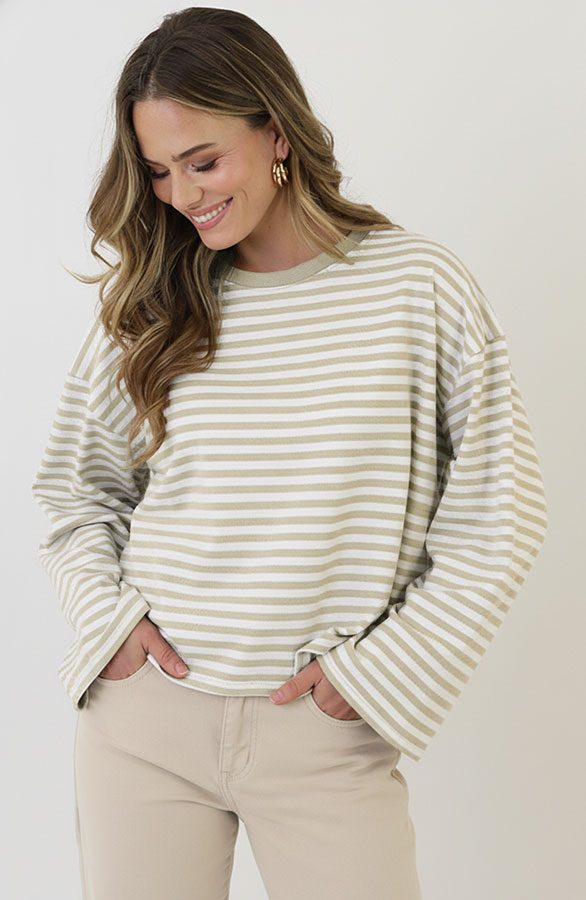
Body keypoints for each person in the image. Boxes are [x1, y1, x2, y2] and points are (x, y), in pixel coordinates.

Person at [31, 7, 548, 900]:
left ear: (275, 132)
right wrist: (109, 628)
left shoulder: (416, 287)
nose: (182, 194)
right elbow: (76, 492)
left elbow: (500, 515)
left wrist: (375, 678)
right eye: (158, 171)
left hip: (324, 731)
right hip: (143, 725)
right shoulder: (154, 303)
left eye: (204, 161)